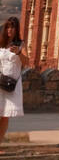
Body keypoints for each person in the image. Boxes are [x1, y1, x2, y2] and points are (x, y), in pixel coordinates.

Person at [0, 17, 27, 147]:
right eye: (8, 27)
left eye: (13, 27)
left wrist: (19, 52)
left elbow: (26, 63)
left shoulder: (21, 44)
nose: (10, 30)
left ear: (17, 29)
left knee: (5, 116)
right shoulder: (0, 43)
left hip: (11, 85)